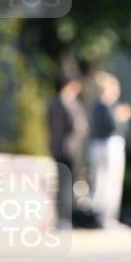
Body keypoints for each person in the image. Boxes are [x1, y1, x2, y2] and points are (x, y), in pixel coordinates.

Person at [88, 72, 131, 229]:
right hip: (109, 145)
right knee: (110, 182)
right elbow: (114, 126)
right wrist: (122, 116)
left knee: (101, 181)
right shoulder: (107, 105)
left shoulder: (96, 105)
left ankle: (102, 217)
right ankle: (108, 219)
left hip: (97, 145)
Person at [47, 70, 88, 228]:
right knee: (65, 184)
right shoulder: (67, 103)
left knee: (63, 183)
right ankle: (64, 218)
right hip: (68, 148)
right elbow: (78, 126)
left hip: (59, 147)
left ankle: (63, 217)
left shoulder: (53, 103)